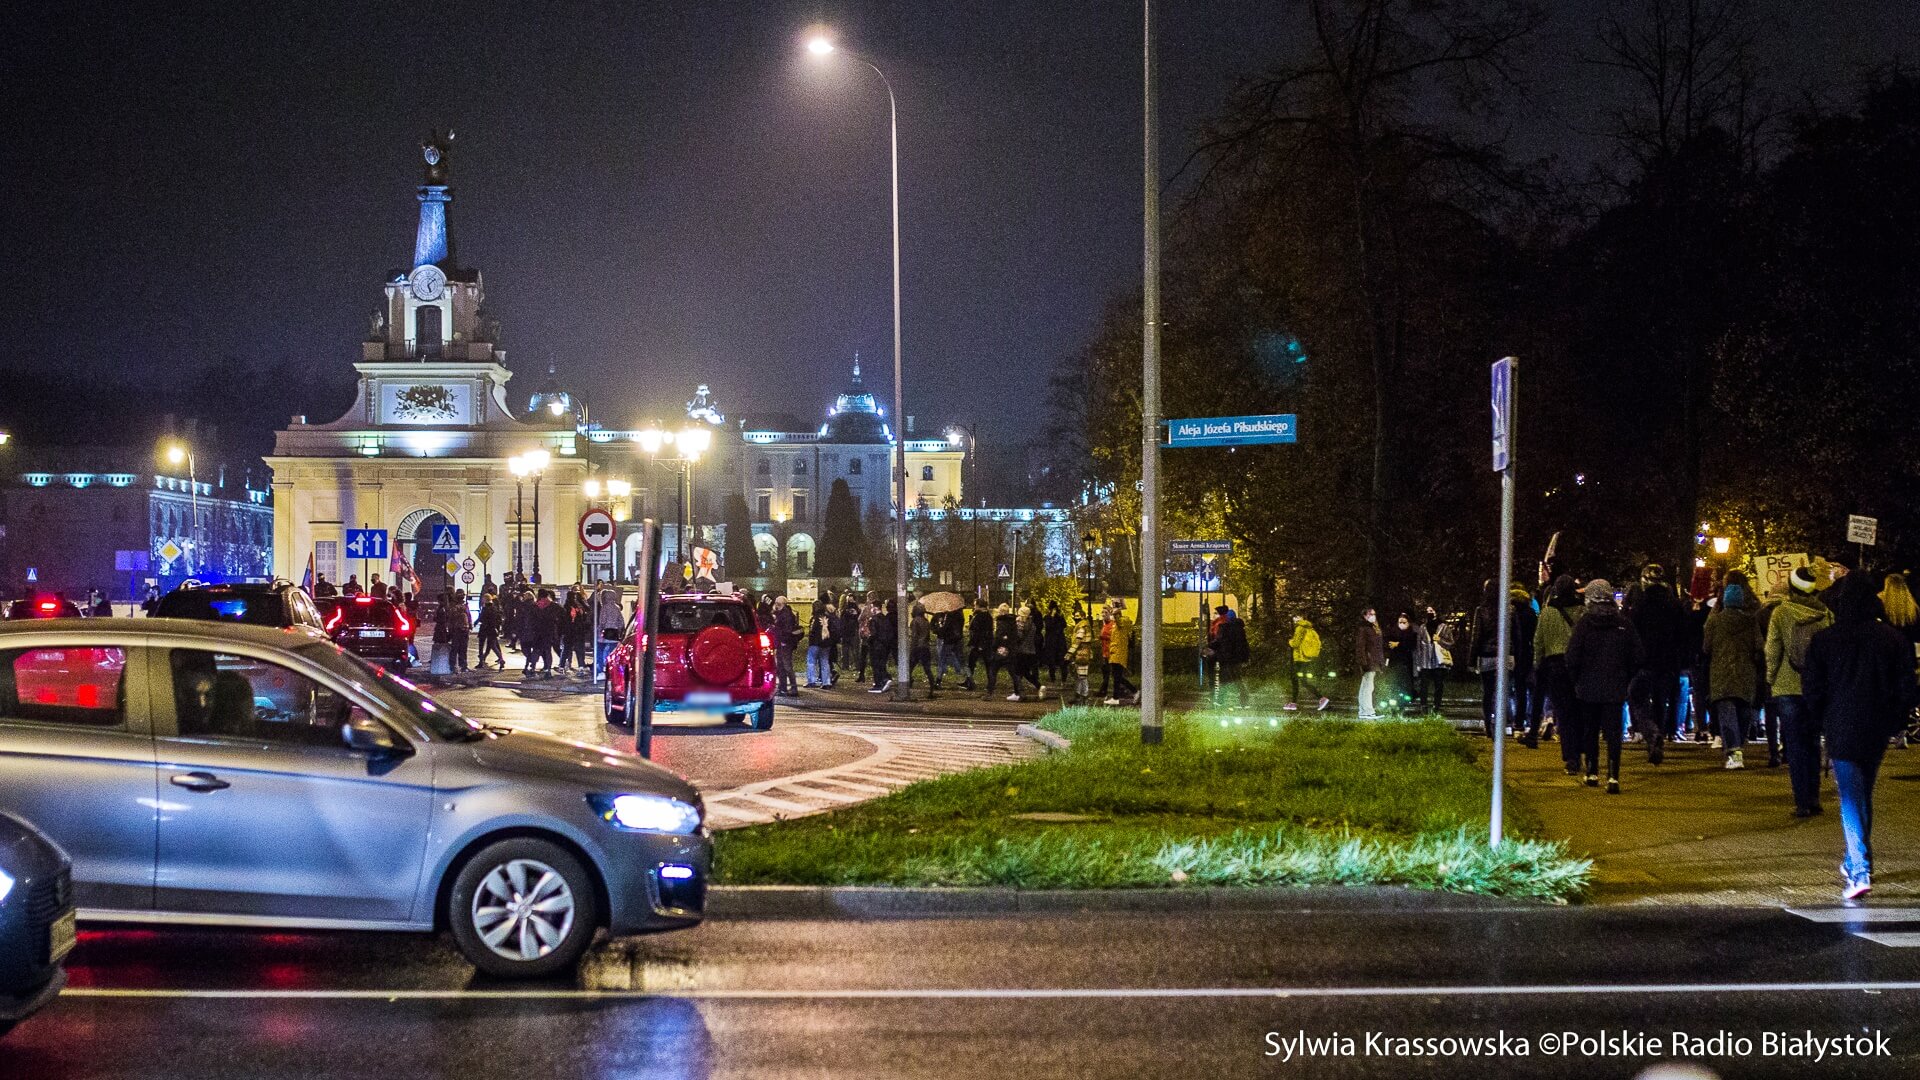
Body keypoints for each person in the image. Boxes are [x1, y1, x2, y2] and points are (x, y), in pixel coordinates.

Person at [1802, 572, 1919, 899]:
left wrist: (1820, 718)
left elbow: (1812, 688)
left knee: (1851, 797)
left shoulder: (1825, 640)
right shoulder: (1892, 639)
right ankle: (1854, 859)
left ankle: (1860, 867)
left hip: (1840, 723)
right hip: (1877, 725)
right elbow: (1908, 689)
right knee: (1862, 792)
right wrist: (1895, 719)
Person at [1765, 564, 1833, 817]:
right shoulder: (1825, 614)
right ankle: (1814, 798)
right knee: (1813, 741)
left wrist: (1771, 678)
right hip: (1815, 687)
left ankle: (1801, 801)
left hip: (1788, 685)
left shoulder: (1781, 613)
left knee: (1795, 744)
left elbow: (1773, 650)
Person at [1564, 578, 1643, 794]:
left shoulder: (1584, 623)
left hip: (1588, 687)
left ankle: (1591, 771)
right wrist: (1626, 677)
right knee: (1613, 733)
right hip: (1615, 687)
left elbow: (1572, 656)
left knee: (1590, 730)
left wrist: (1576, 679)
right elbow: (1637, 656)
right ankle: (1613, 776)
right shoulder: (1623, 623)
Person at [1626, 564, 1687, 762]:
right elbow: (1682, 634)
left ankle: (1651, 734)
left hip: (1645, 660)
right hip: (1668, 661)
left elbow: (1632, 633)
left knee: (1638, 698)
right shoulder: (1674, 604)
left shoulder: (1640, 604)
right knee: (1661, 700)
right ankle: (1659, 732)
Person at [1702, 578, 1764, 769]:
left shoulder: (1715, 621)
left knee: (1727, 712)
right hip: (1745, 672)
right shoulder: (1751, 621)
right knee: (1743, 711)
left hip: (1721, 672)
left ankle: (1734, 751)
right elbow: (1759, 646)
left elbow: (1706, 647)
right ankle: (1739, 746)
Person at [1532, 575, 1585, 774]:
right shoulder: (1581, 611)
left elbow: (1538, 642)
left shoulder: (1547, 613)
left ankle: (1570, 757)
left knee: (1563, 712)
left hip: (1555, 666)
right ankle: (1581, 749)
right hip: (1577, 667)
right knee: (1579, 710)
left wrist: (1538, 665)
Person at [1209, 605, 1251, 708]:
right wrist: (1245, 657)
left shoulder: (1225, 628)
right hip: (1236, 658)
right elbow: (1243, 645)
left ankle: (1221, 701)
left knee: (1225, 679)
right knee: (1236, 679)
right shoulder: (1240, 629)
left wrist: (1209, 647)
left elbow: (1220, 642)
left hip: (1226, 657)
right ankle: (1243, 700)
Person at [1286, 615, 1329, 712]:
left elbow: (1295, 644)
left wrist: (1289, 641)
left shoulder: (1300, 628)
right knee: (1299, 680)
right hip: (1306, 658)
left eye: (1295, 617)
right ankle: (1294, 703)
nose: (1294, 619)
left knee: (1298, 680)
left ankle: (1321, 698)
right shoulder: (1309, 627)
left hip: (1300, 659)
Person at [1383, 612, 1418, 712]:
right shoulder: (1392, 632)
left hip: (1406, 664)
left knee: (1404, 686)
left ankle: (1401, 706)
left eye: (1404, 621)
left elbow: (1411, 645)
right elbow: (1387, 644)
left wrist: (1398, 644)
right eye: (1400, 621)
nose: (1402, 623)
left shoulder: (1412, 633)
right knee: (1394, 684)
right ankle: (1393, 706)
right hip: (1394, 662)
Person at [1354, 608, 1385, 720]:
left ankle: (1365, 711)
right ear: (1364, 616)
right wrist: (1363, 662)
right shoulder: (1364, 629)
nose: (1373, 616)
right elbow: (1360, 647)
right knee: (1367, 687)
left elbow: (1378, 647)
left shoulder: (1373, 628)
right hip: (1369, 662)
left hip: (1374, 661)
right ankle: (1367, 711)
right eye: (1370, 614)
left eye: (1374, 614)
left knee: (1367, 687)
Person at [1104, 601, 1137, 704]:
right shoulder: (1118, 624)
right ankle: (1117, 697)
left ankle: (1132, 692)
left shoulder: (1122, 622)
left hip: (1118, 652)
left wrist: (1115, 610)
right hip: (1115, 652)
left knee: (1117, 676)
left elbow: (1119, 622)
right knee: (1117, 676)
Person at [1010, 603, 1044, 701]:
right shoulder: (1032, 624)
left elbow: (1019, 636)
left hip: (1020, 651)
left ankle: (1019, 693)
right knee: (1025, 673)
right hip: (1030, 651)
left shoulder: (1020, 622)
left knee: (1017, 672)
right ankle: (1038, 686)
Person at [592, 581, 624, 681]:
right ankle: (611, 671)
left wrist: (600, 630)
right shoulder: (617, 608)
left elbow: (602, 621)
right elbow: (621, 621)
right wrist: (618, 630)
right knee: (611, 653)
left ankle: (601, 671)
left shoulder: (604, 608)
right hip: (614, 634)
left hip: (603, 634)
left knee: (599, 652)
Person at [865, 596, 896, 694]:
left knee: (876, 665)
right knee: (882, 664)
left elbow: (873, 634)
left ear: (874, 608)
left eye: (871, 607)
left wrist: (868, 639)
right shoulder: (885, 618)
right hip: (885, 646)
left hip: (876, 646)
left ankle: (880, 683)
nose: (871, 609)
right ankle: (885, 680)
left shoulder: (873, 620)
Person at [908, 603, 939, 695]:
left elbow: (914, 636)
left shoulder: (915, 621)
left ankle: (907, 685)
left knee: (909, 667)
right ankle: (931, 689)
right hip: (925, 647)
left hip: (917, 647)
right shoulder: (926, 621)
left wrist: (912, 648)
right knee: (927, 669)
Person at [772, 596, 800, 696]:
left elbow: (786, 630)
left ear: (783, 604)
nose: (776, 605)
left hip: (785, 643)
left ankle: (793, 688)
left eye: (778, 603)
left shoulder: (786, 615)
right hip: (781, 642)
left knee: (787, 665)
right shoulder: (780, 613)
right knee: (780, 666)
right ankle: (782, 687)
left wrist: (783, 640)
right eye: (775, 603)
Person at [966, 598, 992, 692]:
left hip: (979, 644)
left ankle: (970, 682)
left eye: (975, 604)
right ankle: (989, 684)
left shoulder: (981, 616)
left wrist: (976, 643)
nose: (974, 606)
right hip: (985, 644)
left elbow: (978, 632)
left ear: (979, 605)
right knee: (987, 664)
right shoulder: (987, 616)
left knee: (971, 663)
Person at [806, 601, 834, 688]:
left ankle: (812, 681)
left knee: (811, 662)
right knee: (825, 662)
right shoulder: (828, 617)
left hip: (815, 643)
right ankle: (826, 682)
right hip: (826, 643)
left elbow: (812, 630)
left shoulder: (814, 618)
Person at [1042, 601, 1069, 685]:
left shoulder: (1060, 617)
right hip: (1051, 642)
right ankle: (1053, 678)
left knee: (1062, 661)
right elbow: (1048, 627)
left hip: (1059, 641)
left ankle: (1063, 679)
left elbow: (1064, 625)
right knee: (1051, 661)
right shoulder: (1047, 617)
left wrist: (1057, 618)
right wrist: (1052, 617)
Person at [474, 594, 504, 669]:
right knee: (492, 645)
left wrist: (476, 622)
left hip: (484, 628)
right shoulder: (494, 608)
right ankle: (501, 659)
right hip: (492, 628)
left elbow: (481, 618)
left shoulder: (485, 608)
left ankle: (481, 662)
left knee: (481, 646)